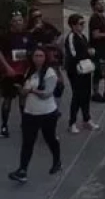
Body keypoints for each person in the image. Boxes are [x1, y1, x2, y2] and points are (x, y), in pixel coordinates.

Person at [8, 46, 62, 183]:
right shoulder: (29, 71)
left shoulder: (50, 73)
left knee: (50, 139)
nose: (38, 59)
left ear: (45, 58)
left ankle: (57, 161)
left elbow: (47, 94)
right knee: (27, 142)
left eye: (41, 56)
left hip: (47, 113)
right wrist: (22, 91)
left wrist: (31, 90)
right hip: (30, 112)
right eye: (36, 56)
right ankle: (22, 170)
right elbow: (24, 92)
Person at [64, 13, 98, 133]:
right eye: (80, 23)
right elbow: (73, 54)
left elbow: (86, 49)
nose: (82, 26)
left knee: (86, 94)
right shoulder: (71, 37)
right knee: (77, 96)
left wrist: (90, 52)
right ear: (73, 25)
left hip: (85, 69)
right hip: (75, 70)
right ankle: (72, 122)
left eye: (83, 23)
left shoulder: (82, 36)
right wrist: (88, 53)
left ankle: (86, 119)